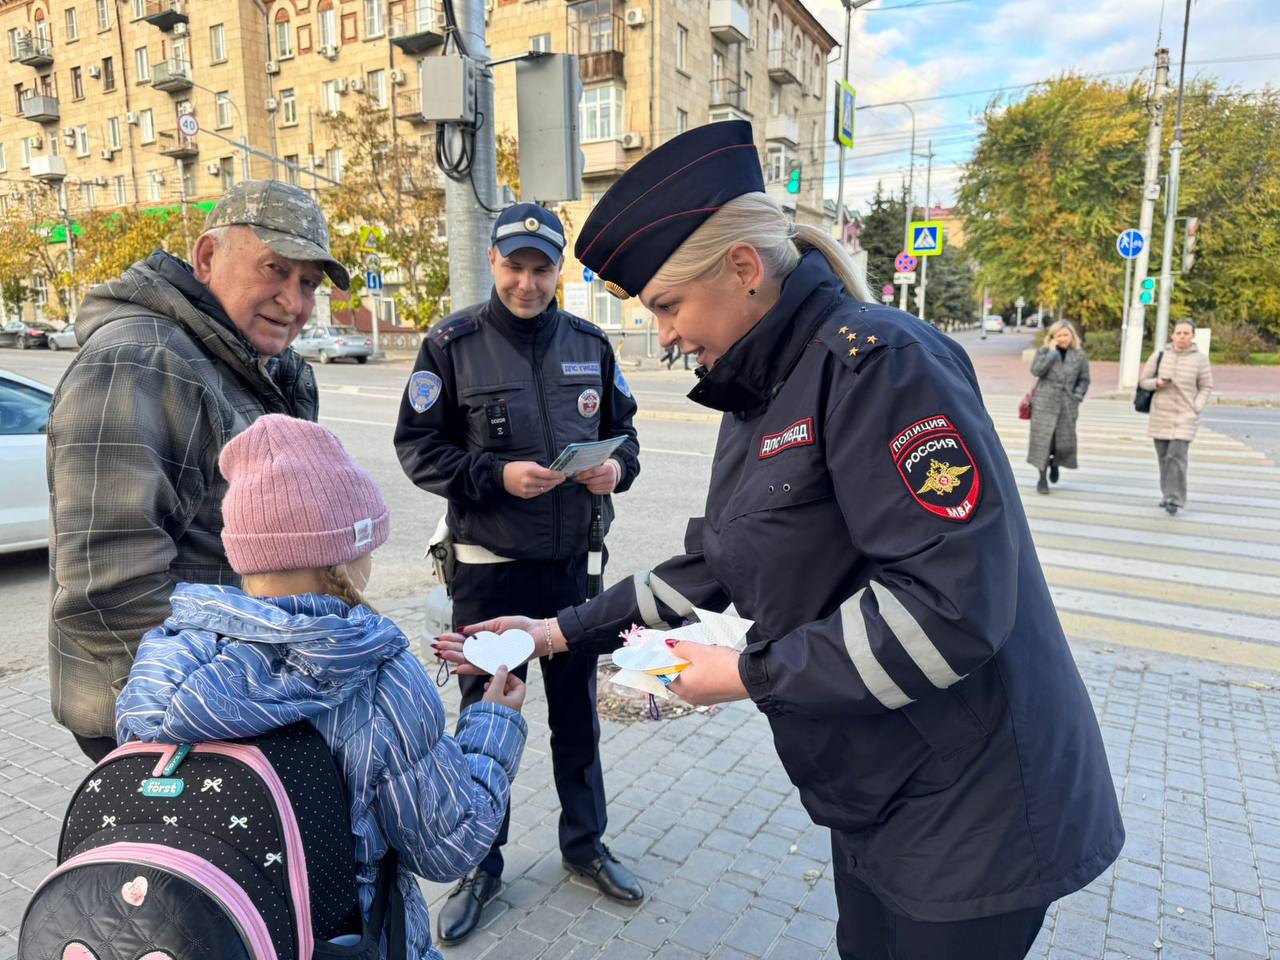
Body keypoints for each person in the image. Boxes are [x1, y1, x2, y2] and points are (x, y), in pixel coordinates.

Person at [439, 121, 1123, 960]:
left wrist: (740, 675)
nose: (664, 335)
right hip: (880, 785)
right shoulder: (761, 386)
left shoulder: (882, 365)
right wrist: (553, 632)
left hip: (974, 805)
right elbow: (715, 564)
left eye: (666, 306)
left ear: (742, 268)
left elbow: (950, 610)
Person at [115, 415, 527, 960]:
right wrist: (494, 723)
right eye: (369, 544)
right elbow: (450, 846)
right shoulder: (379, 677)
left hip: (206, 938)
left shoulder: (166, 661)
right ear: (345, 557)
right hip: (344, 942)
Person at [393, 203, 644, 945]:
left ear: (559, 269)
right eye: (514, 267)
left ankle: (585, 845)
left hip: (572, 575)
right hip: (490, 578)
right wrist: (497, 476)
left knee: (577, 718)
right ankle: (479, 864)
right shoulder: (452, 346)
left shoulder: (590, 344)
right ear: (493, 262)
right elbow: (418, 450)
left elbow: (626, 435)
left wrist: (617, 470)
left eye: (541, 269)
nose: (527, 283)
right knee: (484, 718)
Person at [47, 179, 345, 763]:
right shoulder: (142, 359)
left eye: (308, 283)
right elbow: (109, 586)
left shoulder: (238, 359)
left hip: (221, 691)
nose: (293, 301)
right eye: (275, 269)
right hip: (167, 712)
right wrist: (229, 704)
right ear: (208, 257)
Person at [1139, 318, 1213, 515]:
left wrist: (1197, 406)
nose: (1182, 336)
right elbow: (1143, 381)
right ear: (1172, 335)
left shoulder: (1200, 359)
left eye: (1186, 333)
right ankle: (1167, 495)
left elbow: (1206, 386)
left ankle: (1175, 499)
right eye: (1178, 333)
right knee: (1164, 458)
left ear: (1192, 336)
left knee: (1177, 457)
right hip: (1161, 413)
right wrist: (1157, 383)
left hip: (1185, 414)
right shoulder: (1160, 356)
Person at [1026, 319, 1090, 494]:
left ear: (1072, 336)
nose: (1063, 338)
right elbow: (1036, 371)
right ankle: (1042, 478)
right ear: (1052, 337)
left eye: (1065, 335)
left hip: (1067, 404)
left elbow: (1084, 379)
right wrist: (1052, 353)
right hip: (1044, 403)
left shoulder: (1079, 355)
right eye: (1059, 335)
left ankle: (1055, 463)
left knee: (1063, 444)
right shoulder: (1044, 351)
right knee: (1043, 443)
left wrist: (1077, 397)